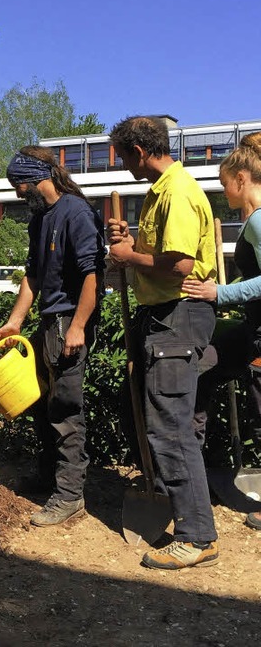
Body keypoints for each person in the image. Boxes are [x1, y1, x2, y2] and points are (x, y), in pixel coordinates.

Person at [108, 115, 219, 570]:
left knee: (170, 425)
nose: (123, 166)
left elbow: (179, 265)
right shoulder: (162, 192)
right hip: (169, 317)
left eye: (122, 156)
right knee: (181, 421)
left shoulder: (176, 191)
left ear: (138, 151)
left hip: (177, 318)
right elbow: (160, 254)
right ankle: (195, 519)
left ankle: (196, 537)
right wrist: (133, 244)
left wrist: (127, 256)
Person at [0, 146, 105, 526]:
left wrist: (77, 326)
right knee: (42, 404)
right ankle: (48, 476)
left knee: (65, 408)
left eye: (18, 186)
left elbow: (93, 276)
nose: (16, 194)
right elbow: (33, 275)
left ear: (35, 179)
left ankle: (70, 495)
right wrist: (15, 321)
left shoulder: (76, 213)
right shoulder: (40, 220)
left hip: (68, 324)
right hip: (48, 323)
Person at [182, 132, 261, 532]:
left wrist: (220, 292)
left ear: (242, 178)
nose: (222, 187)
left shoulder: (259, 220)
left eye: (224, 180)